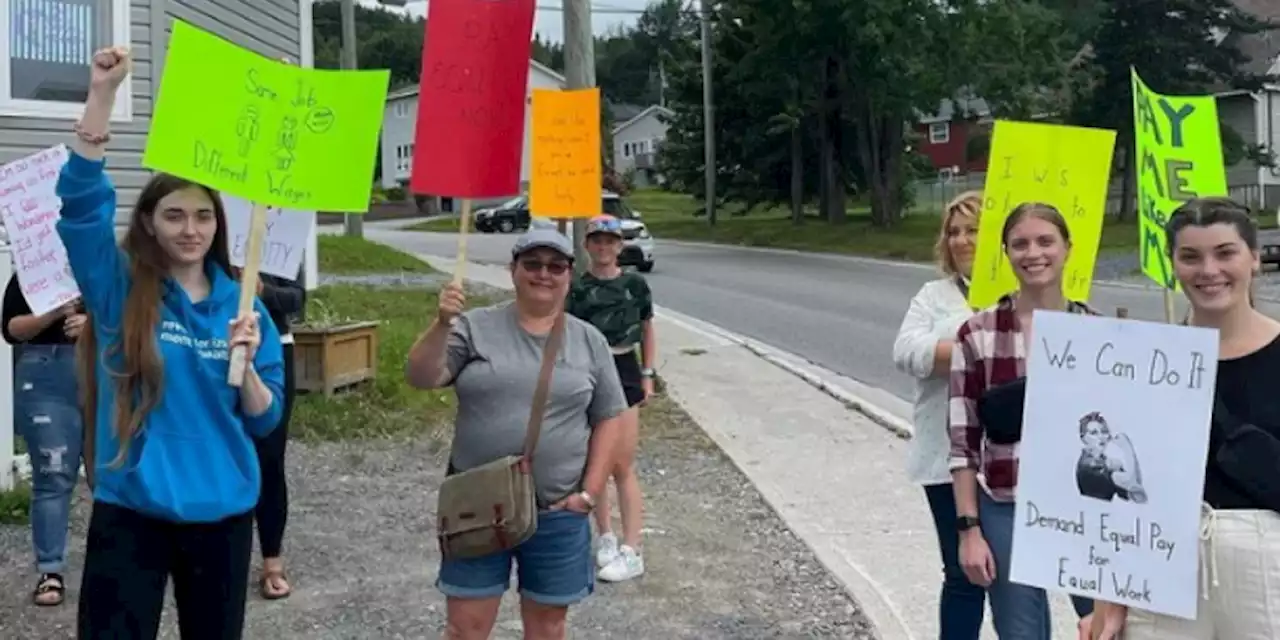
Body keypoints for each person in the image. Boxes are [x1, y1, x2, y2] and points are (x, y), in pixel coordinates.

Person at [58, 47, 285, 638]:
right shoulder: (120, 292)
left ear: (219, 224)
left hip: (222, 517)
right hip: (131, 512)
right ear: (151, 222)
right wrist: (102, 95)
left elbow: (266, 422)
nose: (191, 229)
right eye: (176, 215)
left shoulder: (245, 307)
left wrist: (250, 367)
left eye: (203, 216)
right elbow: (81, 209)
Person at [405, 228, 627, 640]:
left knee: (548, 628)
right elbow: (421, 376)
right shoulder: (474, 326)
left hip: (557, 512)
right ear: (513, 270)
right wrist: (441, 324)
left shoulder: (588, 341)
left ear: (568, 275)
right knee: (464, 628)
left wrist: (590, 494)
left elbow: (609, 418)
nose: (544, 273)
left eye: (555, 266)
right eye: (532, 264)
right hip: (477, 504)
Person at [1092, 197, 1280, 639]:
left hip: (1267, 567)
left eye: (1225, 253)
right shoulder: (1141, 362)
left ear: (1254, 258)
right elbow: (1119, 490)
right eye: (1190, 256)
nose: (1208, 270)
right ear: (1172, 264)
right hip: (1160, 565)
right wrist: (1109, 599)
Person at [947, 202, 1096, 639]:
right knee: (1021, 632)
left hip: (1084, 508)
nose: (1034, 253)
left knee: (1104, 627)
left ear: (1067, 248)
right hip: (1005, 503)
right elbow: (962, 442)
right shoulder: (977, 334)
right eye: (1021, 244)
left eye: (1045, 241)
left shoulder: (1100, 336)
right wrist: (969, 530)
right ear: (1007, 253)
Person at [891, 191, 987, 638]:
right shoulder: (934, 296)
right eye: (954, 231)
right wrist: (979, 351)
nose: (962, 240)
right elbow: (907, 351)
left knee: (1020, 579)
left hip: (1012, 458)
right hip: (946, 455)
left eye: (973, 229)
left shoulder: (1020, 292)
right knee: (963, 572)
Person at [566, 215, 655, 583]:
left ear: (620, 246)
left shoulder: (635, 284)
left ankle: (632, 549)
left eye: (610, 242)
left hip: (624, 367)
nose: (603, 248)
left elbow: (648, 328)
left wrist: (648, 374)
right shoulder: (577, 289)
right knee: (595, 463)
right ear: (587, 246)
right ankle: (604, 536)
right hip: (589, 372)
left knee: (622, 463)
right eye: (597, 241)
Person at [1, 280, 87, 607]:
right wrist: (51, 313)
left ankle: (116, 566)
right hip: (45, 375)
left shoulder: (108, 259)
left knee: (110, 476)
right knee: (52, 475)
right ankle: (50, 569)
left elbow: (136, 318)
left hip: (103, 370)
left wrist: (93, 325)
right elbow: (10, 329)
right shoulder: (32, 266)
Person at [250, 271, 305, 599]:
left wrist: (263, 290)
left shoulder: (285, 231)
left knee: (270, 456)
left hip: (275, 347)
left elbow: (297, 301)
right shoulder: (211, 230)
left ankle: (272, 559)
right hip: (219, 341)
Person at [1075, 412, 1146, 504]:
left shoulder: (1103, 460)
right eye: (1094, 433)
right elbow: (1131, 481)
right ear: (1083, 438)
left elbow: (1137, 492)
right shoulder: (1089, 465)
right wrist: (1127, 447)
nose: (1101, 437)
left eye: (1104, 432)